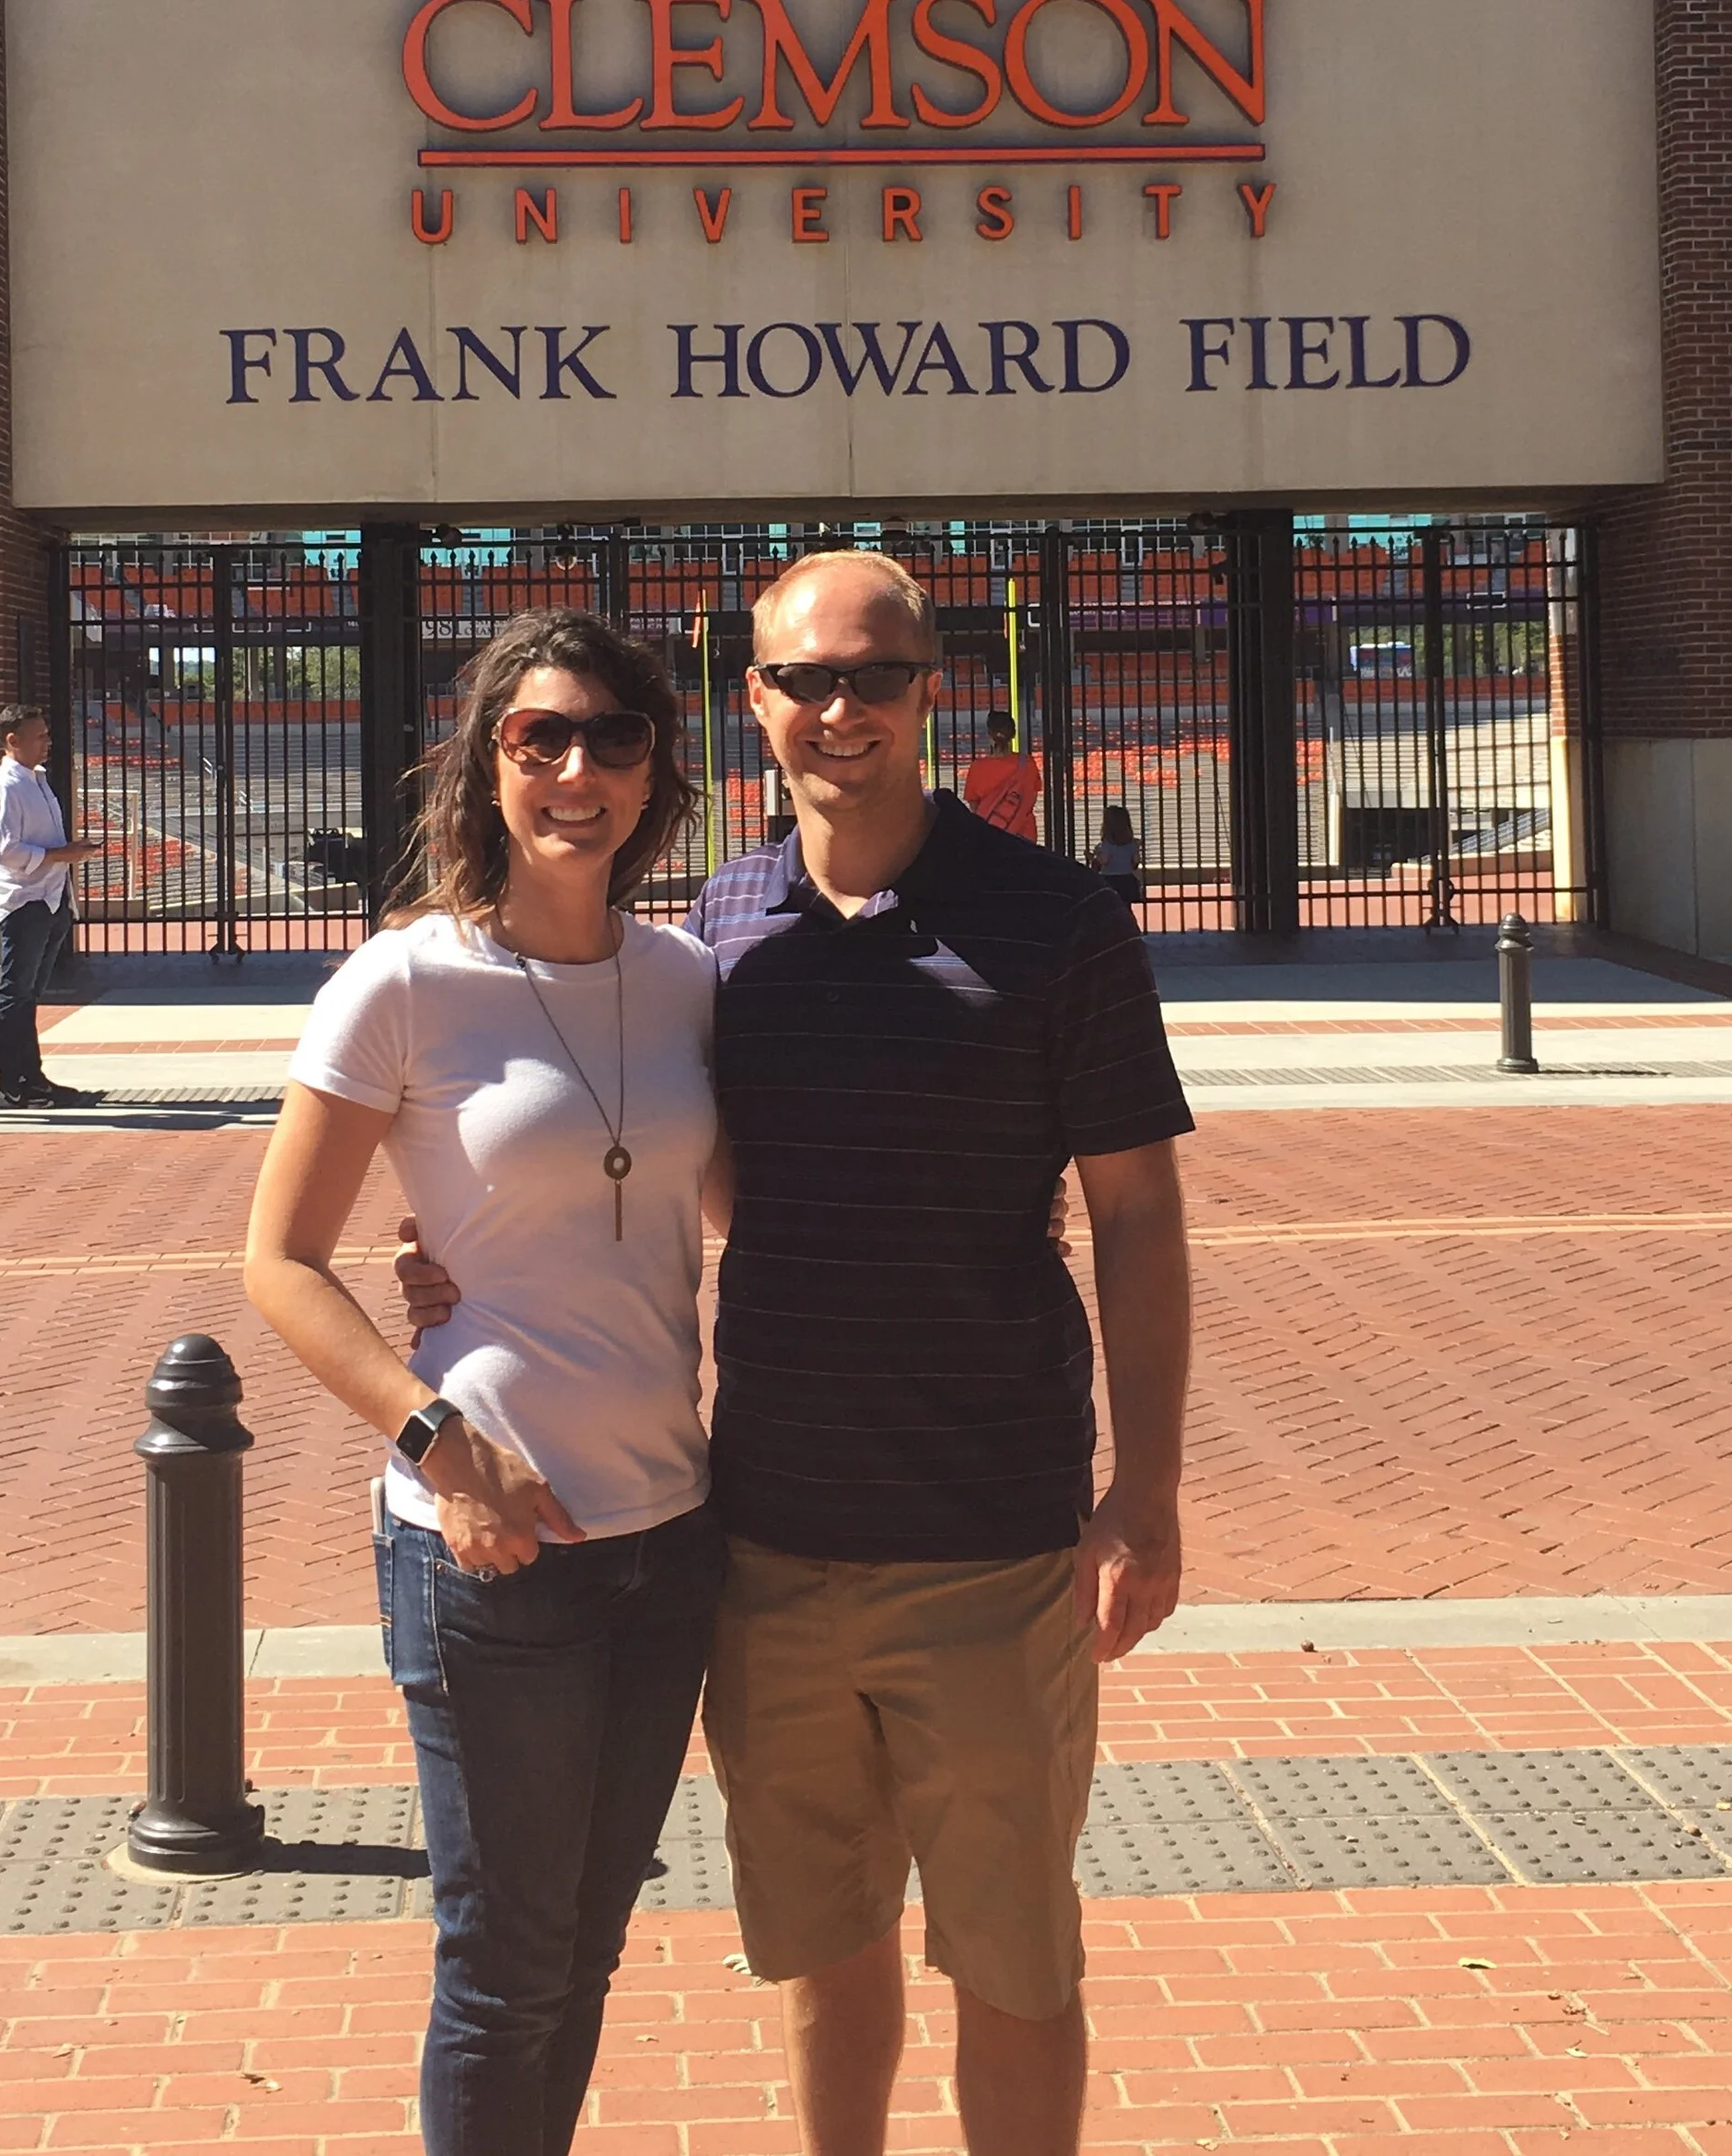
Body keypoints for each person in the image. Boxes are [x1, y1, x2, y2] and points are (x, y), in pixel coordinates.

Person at [400, 552, 1192, 2156]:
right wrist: (475, 1255)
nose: (841, 708)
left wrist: (1148, 1489)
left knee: (1015, 1957)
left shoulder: (1060, 918)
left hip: (992, 1533)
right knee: (825, 1948)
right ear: (751, 699)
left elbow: (1141, 1216)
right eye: (805, 679)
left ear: (929, 689)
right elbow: (648, 1156)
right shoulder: (717, 930)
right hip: (759, 1538)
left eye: (875, 676)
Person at [244, 610, 726, 2156]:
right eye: (541, 738)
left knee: (583, 1952)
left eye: (615, 737)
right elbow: (280, 1259)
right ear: (488, 761)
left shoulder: (692, 978)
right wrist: (442, 1441)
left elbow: (733, 1217)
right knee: (505, 1966)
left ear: (659, 767)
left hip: (669, 1534)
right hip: (487, 1552)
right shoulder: (402, 981)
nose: (579, 769)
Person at [0, 706, 106, 1108]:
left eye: (48, 734)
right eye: (39, 736)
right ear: (12, 740)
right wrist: (61, 854)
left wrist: (66, 855)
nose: (47, 742)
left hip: (51, 899)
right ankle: (14, 1084)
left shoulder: (37, 781)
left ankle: (33, 1078)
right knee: (16, 994)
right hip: (25, 901)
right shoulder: (5, 787)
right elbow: (6, 851)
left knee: (31, 994)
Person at [961, 705, 1042, 840]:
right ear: (1013, 735)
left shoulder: (977, 768)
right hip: (1024, 834)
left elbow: (974, 807)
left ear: (990, 736)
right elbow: (1031, 799)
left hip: (990, 836)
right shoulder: (1027, 763)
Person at [1090, 802, 1145, 920]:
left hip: (1111, 880)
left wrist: (1095, 855)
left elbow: (1104, 861)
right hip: (1127, 880)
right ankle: (1131, 926)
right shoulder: (1132, 843)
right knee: (1126, 907)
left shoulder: (1106, 844)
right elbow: (1136, 861)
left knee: (1110, 909)